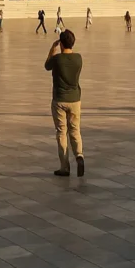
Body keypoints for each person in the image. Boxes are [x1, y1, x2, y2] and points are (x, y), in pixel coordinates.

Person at [45, 30, 85, 177]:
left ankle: (64, 167)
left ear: (61, 43)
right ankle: (79, 155)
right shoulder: (78, 58)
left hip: (59, 100)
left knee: (62, 132)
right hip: (75, 99)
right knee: (75, 130)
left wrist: (52, 49)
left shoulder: (57, 59)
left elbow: (47, 65)